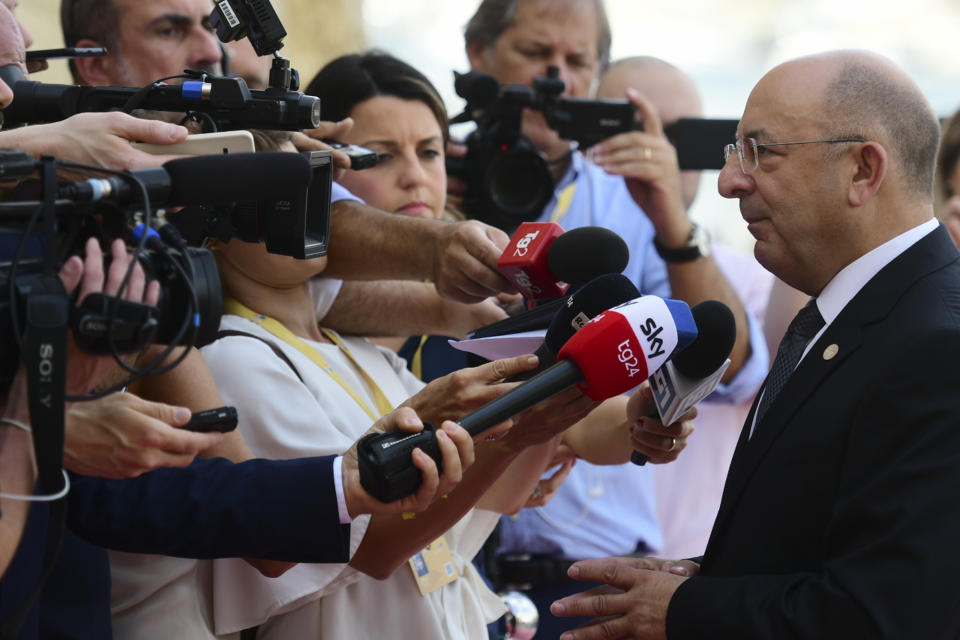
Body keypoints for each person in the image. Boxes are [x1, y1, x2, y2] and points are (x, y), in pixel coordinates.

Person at [551, 49, 960, 639]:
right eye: (732, 152)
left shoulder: (937, 347)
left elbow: (887, 615)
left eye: (761, 152)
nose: (726, 182)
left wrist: (681, 610)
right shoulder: (864, 314)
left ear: (863, 171)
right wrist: (699, 580)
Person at [460, 3, 766, 636]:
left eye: (577, 62)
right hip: (455, 567)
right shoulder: (432, 178)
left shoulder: (625, 199)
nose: (557, 77)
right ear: (478, 53)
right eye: (536, 54)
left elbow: (728, 366)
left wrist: (672, 225)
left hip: (595, 578)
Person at [595, 56, 770, 559]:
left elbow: (733, 368)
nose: (655, 153)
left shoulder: (751, 276)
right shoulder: (550, 259)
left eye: (679, 137)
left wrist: (672, 224)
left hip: (684, 574)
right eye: (632, 132)